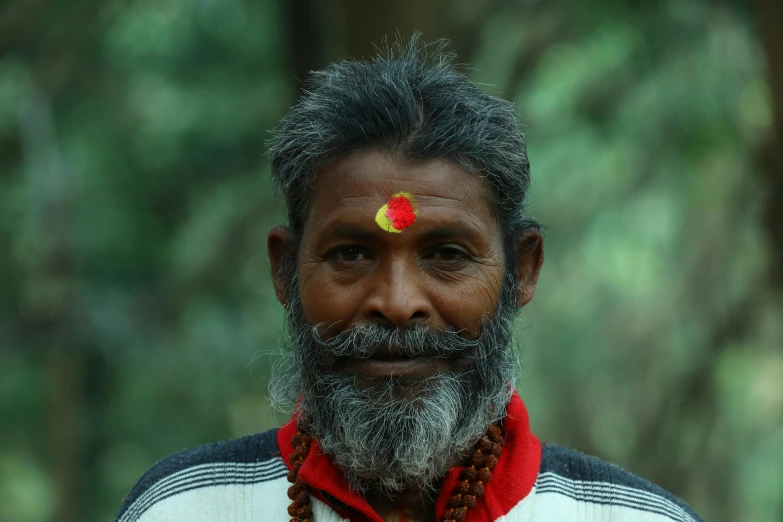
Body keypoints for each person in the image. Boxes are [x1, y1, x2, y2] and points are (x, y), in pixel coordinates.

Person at [116, 36, 704, 522]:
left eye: (447, 254)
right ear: (285, 270)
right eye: (350, 255)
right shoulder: (184, 508)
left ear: (521, 271)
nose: (397, 304)